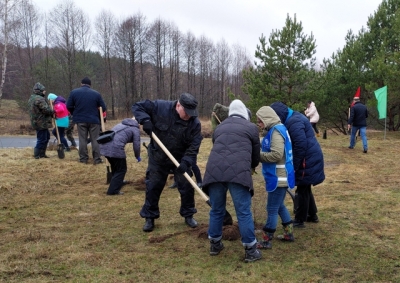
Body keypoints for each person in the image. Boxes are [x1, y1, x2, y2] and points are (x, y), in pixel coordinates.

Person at [132, 93, 202, 232]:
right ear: (178, 105)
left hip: (180, 158)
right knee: (153, 185)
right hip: (158, 156)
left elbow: (194, 146)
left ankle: (188, 215)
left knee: (186, 186)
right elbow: (137, 107)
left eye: (191, 113)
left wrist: (186, 162)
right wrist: (145, 120)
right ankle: (150, 217)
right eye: (186, 112)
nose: (189, 116)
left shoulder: (195, 123)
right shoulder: (159, 107)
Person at [202, 99, 262, 263]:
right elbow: (255, 156)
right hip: (237, 174)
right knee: (243, 212)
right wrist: (251, 166)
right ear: (244, 113)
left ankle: (215, 245)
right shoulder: (251, 128)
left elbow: (218, 146)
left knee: (216, 210)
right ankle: (250, 250)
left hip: (214, 173)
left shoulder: (220, 127)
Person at [270, 102, 325, 228]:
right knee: (305, 187)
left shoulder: (294, 122)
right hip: (309, 156)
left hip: (307, 158)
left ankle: (300, 219)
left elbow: (300, 145)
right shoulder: (293, 118)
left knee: (302, 187)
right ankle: (312, 215)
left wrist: (294, 166)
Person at [255, 106, 295, 249]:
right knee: (279, 206)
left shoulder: (277, 132)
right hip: (281, 177)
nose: (259, 124)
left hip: (279, 178)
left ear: (266, 119)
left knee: (271, 208)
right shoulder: (277, 129)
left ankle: (266, 240)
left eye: (260, 121)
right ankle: (288, 233)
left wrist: (257, 156)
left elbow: (276, 155)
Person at [66, 77, 107, 164]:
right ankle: (97, 159)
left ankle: (83, 159)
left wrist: (75, 113)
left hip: (80, 120)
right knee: (95, 140)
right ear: (90, 85)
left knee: (82, 140)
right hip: (94, 120)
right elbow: (103, 107)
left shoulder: (74, 92)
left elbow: (68, 106)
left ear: (81, 84)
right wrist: (96, 114)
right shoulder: (96, 94)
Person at [99, 117, 141, 195]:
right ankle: (113, 191)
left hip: (104, 146)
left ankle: (117, 182)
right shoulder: (135, 129)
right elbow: (136, 145)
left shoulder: (121, 124)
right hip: (115, 149)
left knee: (115, 167)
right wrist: (137, 156)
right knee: (121, 169)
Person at [28, 82, 54, 159]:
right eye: (43, 90)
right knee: (42, 139)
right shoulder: (39, 99)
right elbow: (46, 110)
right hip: (41, 122)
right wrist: (53, 111)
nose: (45, 91)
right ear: (39, 91)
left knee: (46, 137)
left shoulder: (32, 98)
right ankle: (37, 155)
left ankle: (42, 154)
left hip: (37, 122)